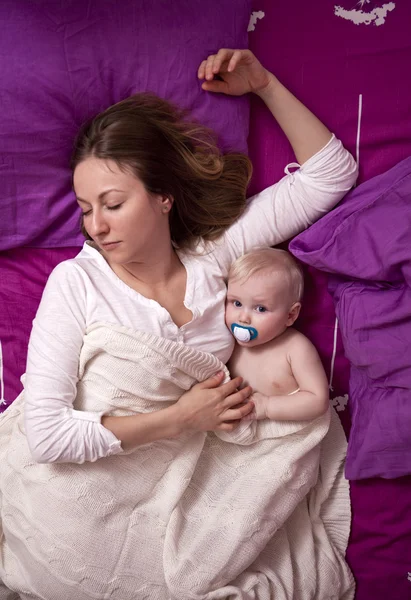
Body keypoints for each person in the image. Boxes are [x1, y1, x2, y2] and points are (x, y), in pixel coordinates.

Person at [23, 47, 357, 464]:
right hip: (88, 475)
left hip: (186, 468)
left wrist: (265, 86)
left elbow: (330, 177)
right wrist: (180, 418)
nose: (96, 227)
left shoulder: (215, 255)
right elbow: (45, 436)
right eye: (86, 209)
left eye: (112, 204)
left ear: (163, 197)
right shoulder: (76, 282)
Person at [226, 247, 329, 422]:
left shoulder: (295, 348)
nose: (243, 318)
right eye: (236, 303)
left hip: (286, 434)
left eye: (260, 308)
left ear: (290, 315)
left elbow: (318, 400)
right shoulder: (226, 342)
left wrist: (267, 407)